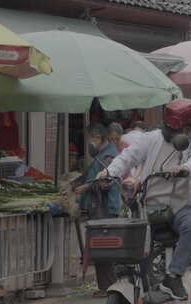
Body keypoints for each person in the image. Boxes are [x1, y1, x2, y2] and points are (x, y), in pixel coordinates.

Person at [97, 98, 191, 300]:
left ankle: (174, 275)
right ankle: (139, 282)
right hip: (150, 206)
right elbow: (128, 157)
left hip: (181, 207)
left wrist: (185, 169)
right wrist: (109, 171)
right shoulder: (150, 139)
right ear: (186, 126)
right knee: (138, 240)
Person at [74, 123, 121, 297]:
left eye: (90, 138)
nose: (89, 142)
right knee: (100, 249)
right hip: (98, 206)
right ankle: (106, 287)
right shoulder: (102, 154)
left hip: (105, 207)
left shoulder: (108, 156)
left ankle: (109, 288)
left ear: (98, 137)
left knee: (104, 248)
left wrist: (86, 188)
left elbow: (106, 184)